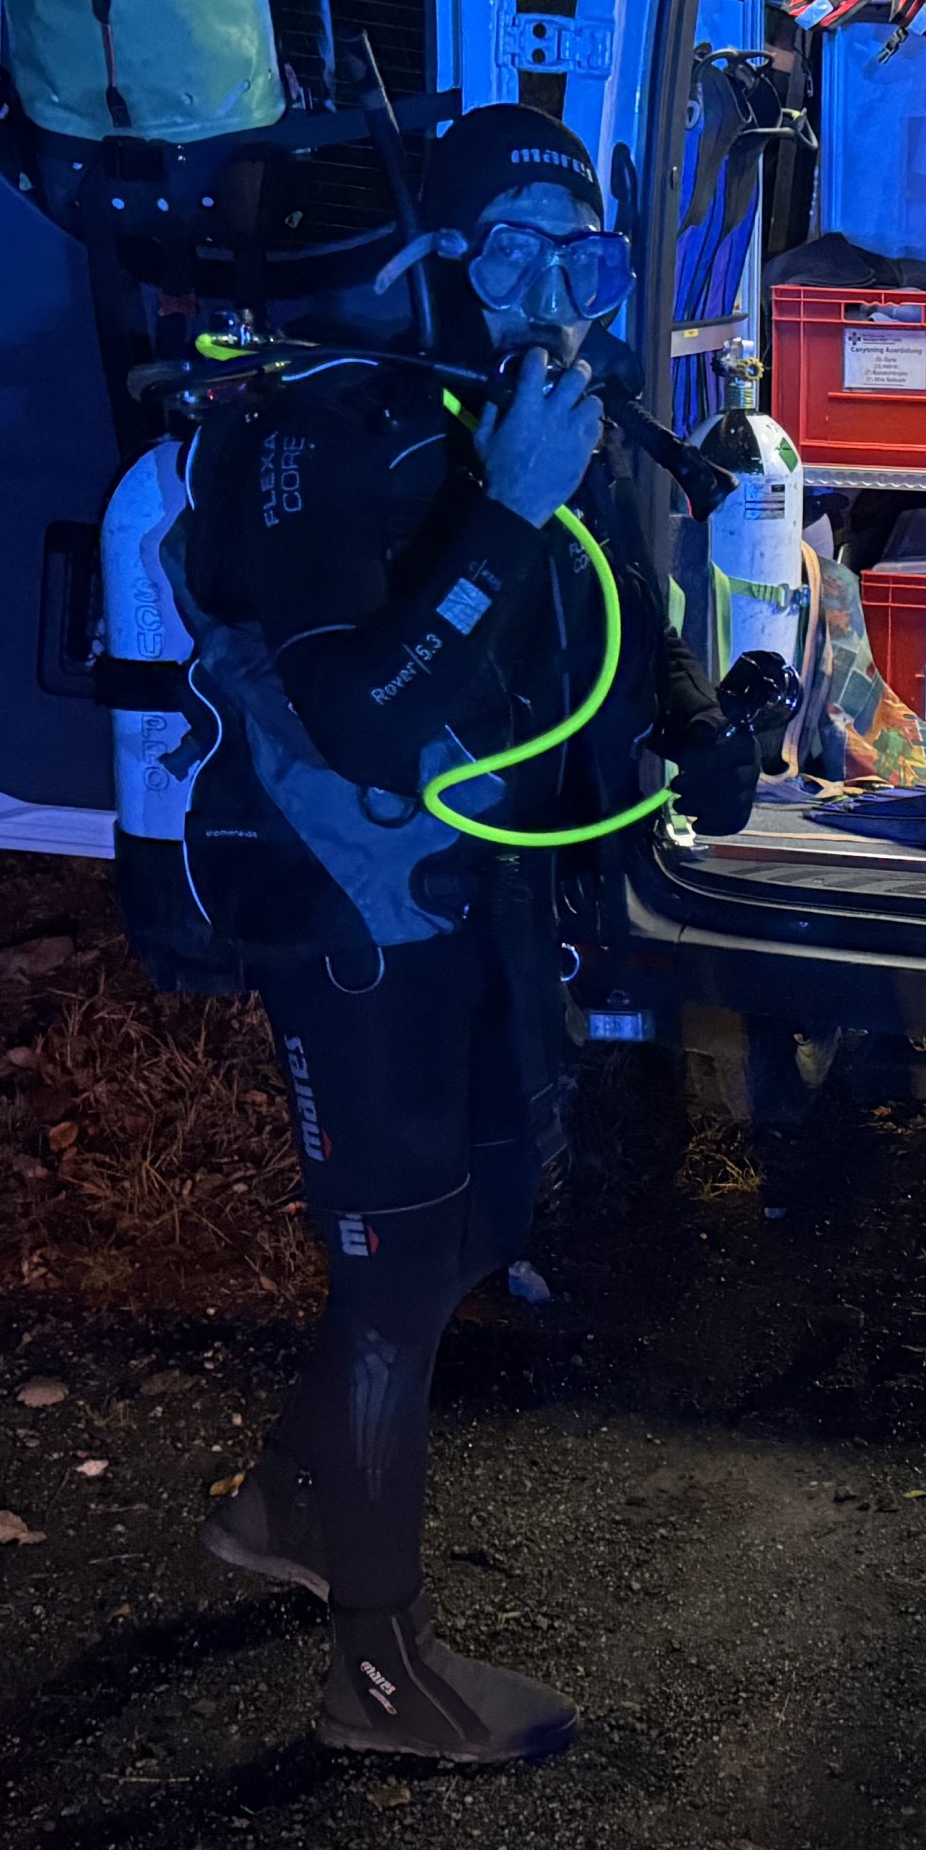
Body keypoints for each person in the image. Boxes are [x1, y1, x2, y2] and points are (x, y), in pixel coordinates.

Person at [179, 103, 760, 1764]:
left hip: (483, 905)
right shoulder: (337, 434)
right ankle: (381, 1673)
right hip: (357, 918)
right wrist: (505, 506)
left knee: (480, 1215)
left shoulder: (554, 427)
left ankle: (293, 1507)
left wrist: (699, 729)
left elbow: (622, 623)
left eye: (572, 248)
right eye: (509, 247)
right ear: (433, 259)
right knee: (386, 1271)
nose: (549, 285)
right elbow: (360, 724)